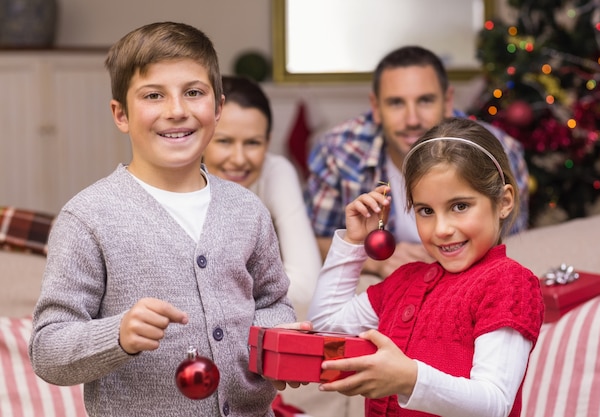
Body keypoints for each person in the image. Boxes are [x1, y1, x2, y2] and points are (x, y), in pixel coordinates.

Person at [28, 22, 308, 417]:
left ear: (218, 108)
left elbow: (273, 302)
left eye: (193, 93)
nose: (176, 111)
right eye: (154, 95)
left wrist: (274, 347)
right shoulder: (88, 218)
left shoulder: (248, 211)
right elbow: (48, 350)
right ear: (121, 114)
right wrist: (118, 335)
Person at [307, 117, 544, 417]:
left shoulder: (508, 283)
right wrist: (354, 241)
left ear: (504, 201)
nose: (442, 228)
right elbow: (324, 328)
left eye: (460, 206)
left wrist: (410, 378)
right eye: (426, 211)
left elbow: (493, 403)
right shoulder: (403, 282)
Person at [305, 45, 530, 279]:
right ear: (376, 107)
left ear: (448, 100)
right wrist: (375, 260)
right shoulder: (337, 151)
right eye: (396, 103)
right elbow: (307, 245)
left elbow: (509, 245)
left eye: (425, 101)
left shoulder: (497, 150)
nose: (412, 120)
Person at [203, 75, 321, 315]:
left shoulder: (276, 172)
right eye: (224, 141)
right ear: (201, 139)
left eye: (252, 143)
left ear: (268, 143)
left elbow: (308, 287)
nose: (238, 159)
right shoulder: (179, 181)